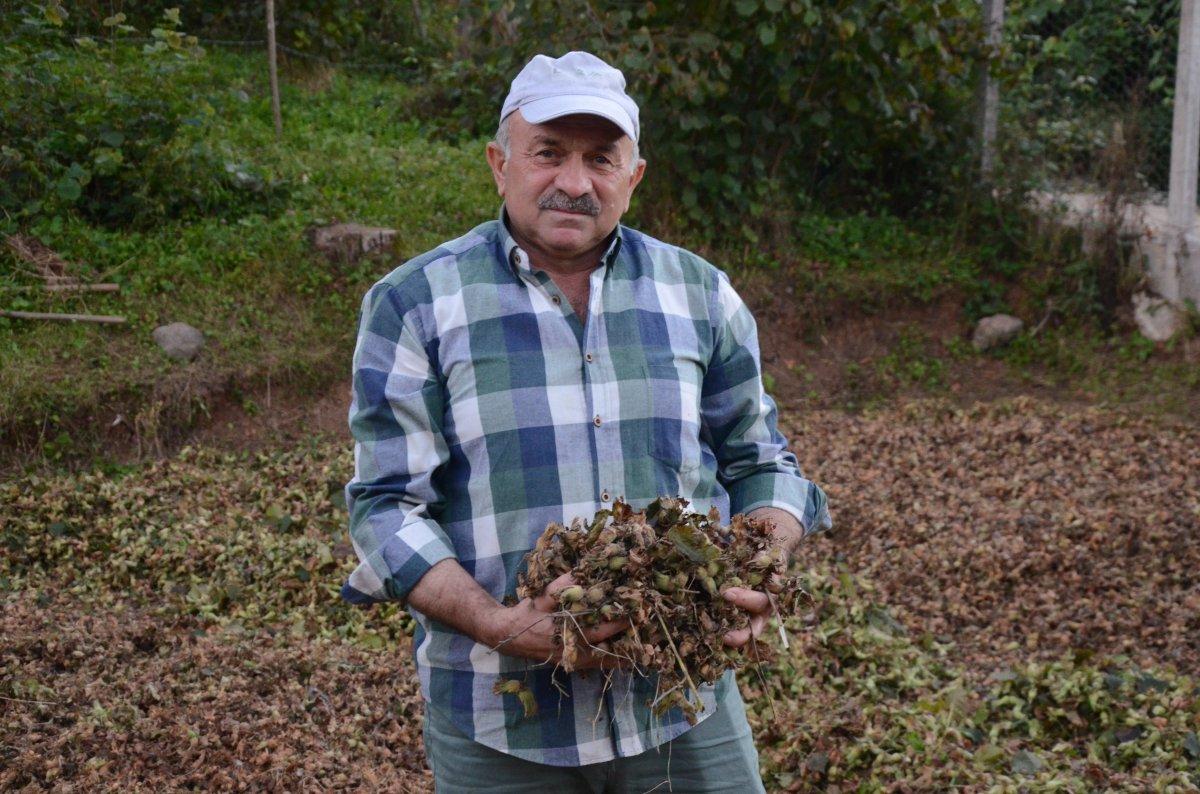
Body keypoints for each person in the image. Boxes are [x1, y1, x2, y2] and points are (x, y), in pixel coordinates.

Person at [341, 50, 831, 792]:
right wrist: (501, 623)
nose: (574, 182)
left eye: (601, 158)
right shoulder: (415, 303)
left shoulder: (701, 295)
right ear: (498, 163)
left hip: (680, 702)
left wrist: (763, 558)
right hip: (499, 723)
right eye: (548, 153)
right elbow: (384, 507)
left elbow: (761, 460)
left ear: (633, 178)